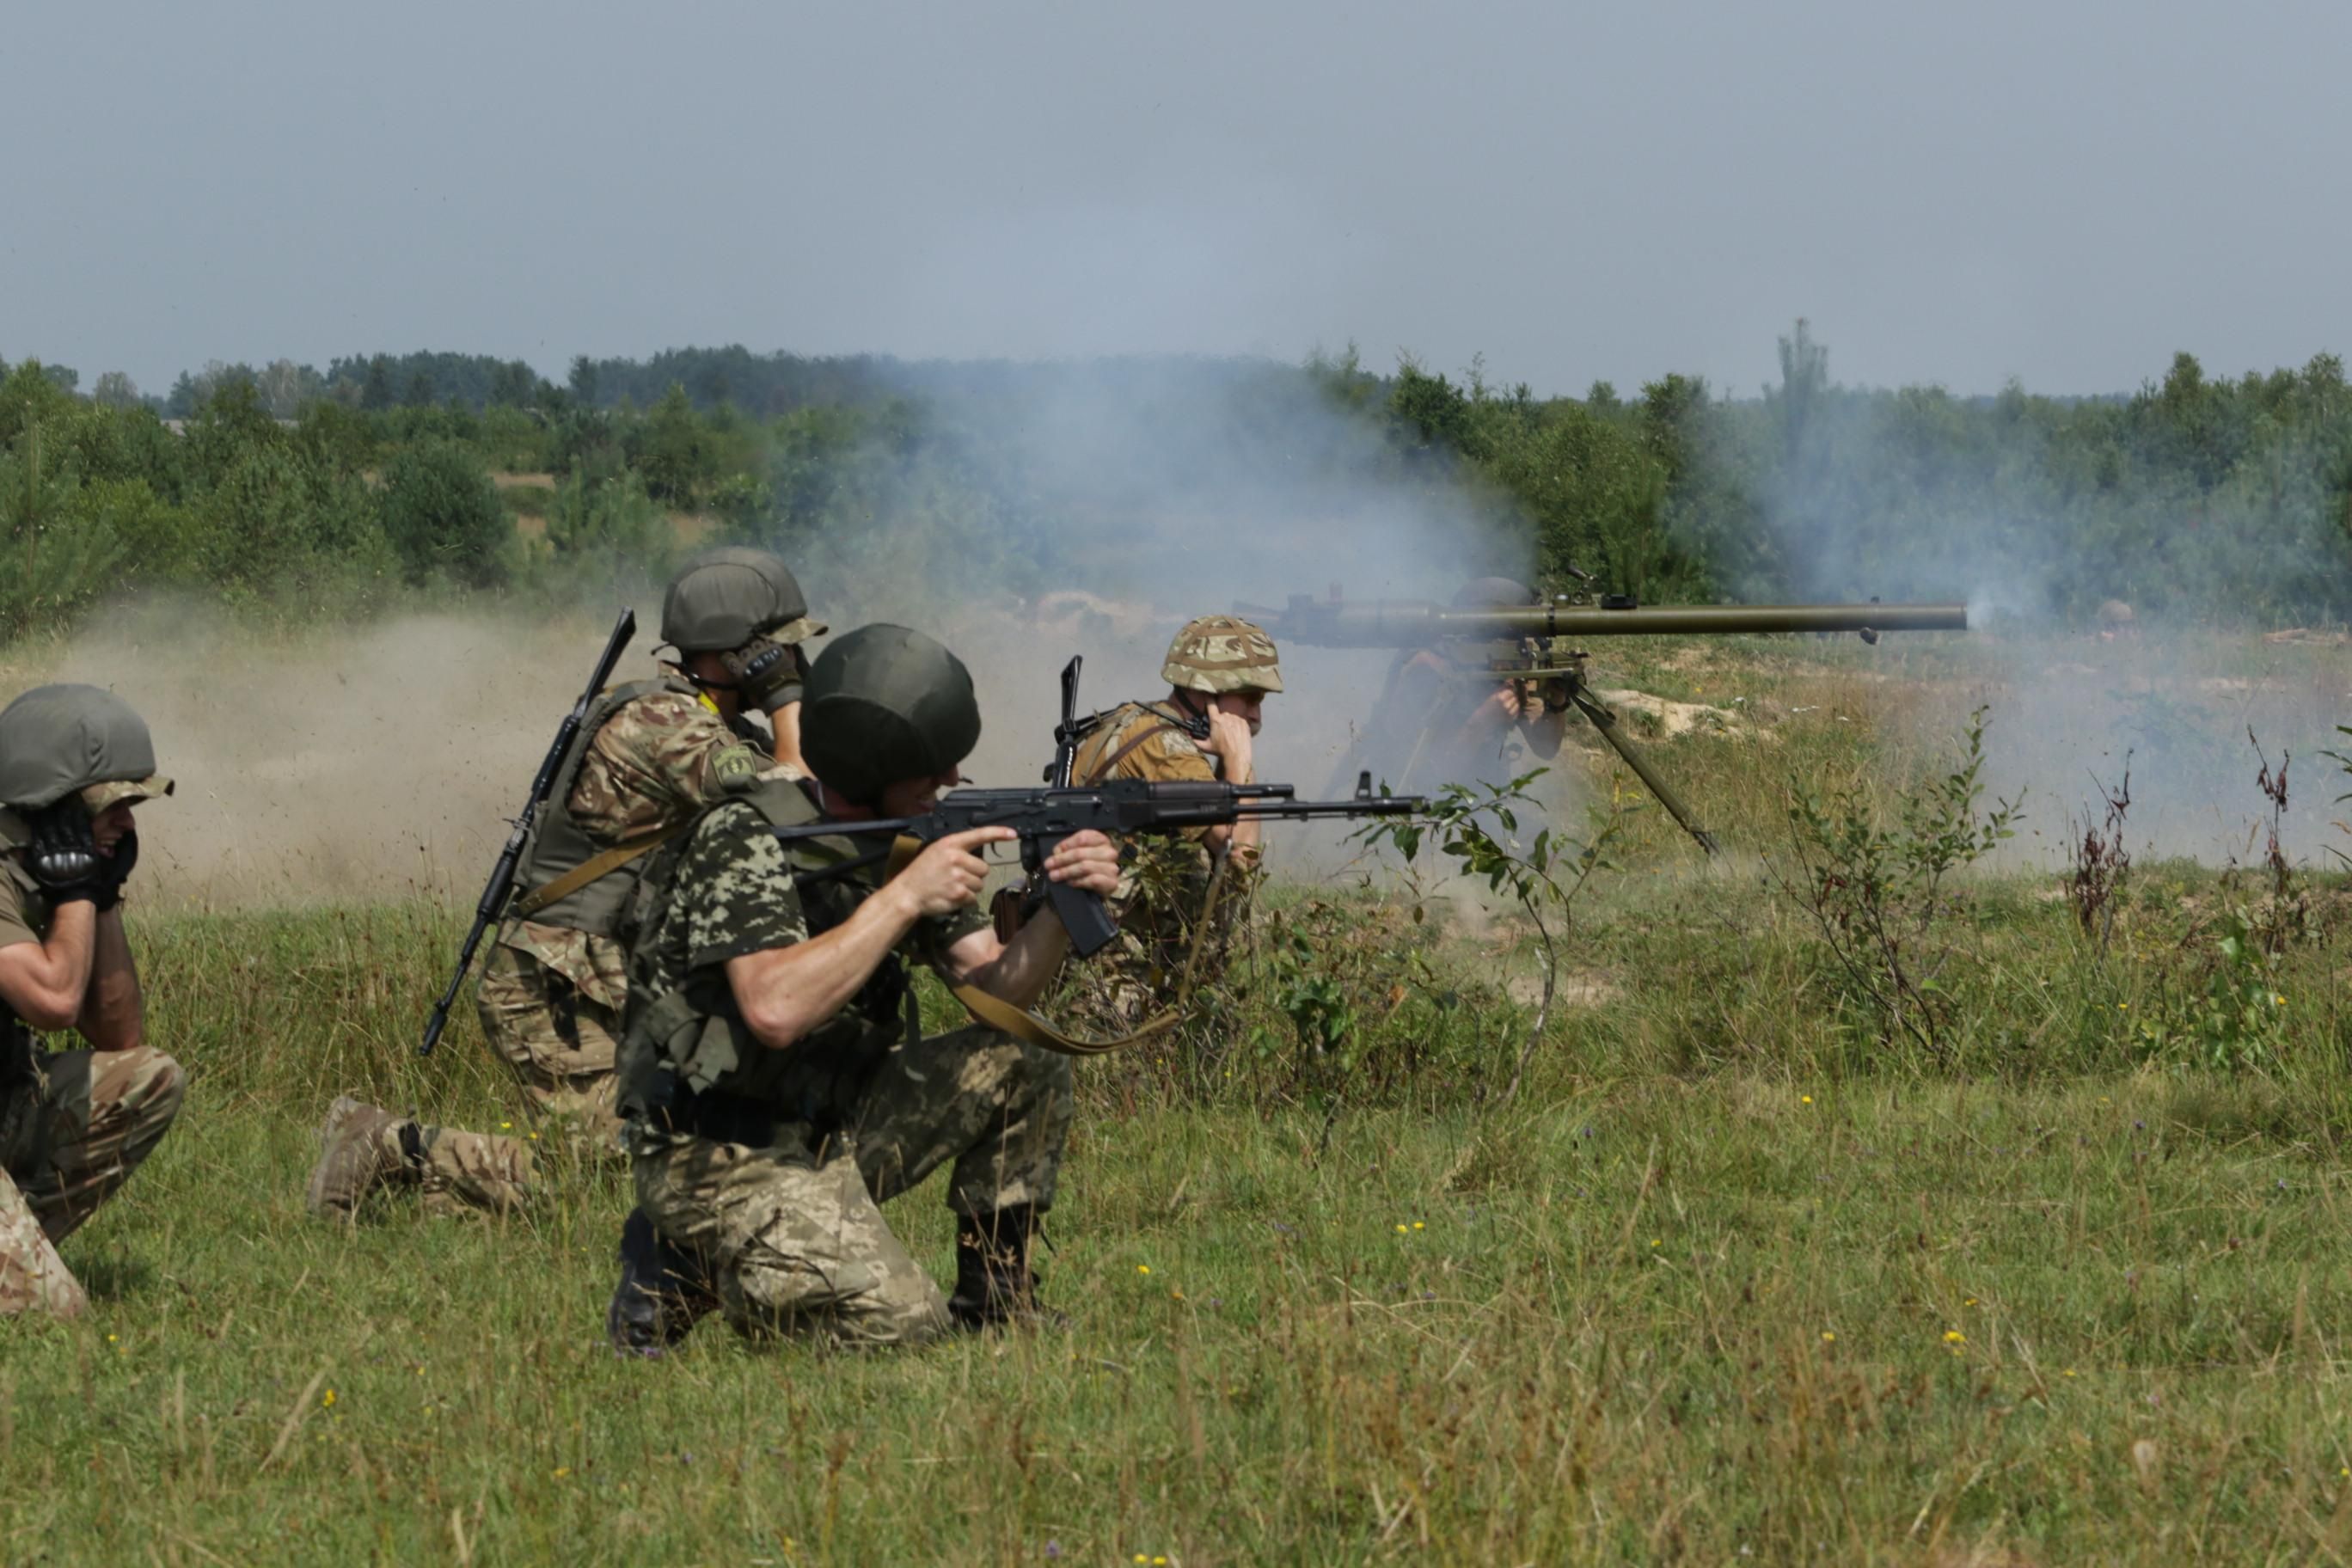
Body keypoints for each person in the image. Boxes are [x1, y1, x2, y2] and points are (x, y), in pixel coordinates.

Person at [606, 622, 1123, 1351]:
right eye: (932, 771)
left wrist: (1063, 908)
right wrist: (905, 897)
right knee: (904, 1327)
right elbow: (774, 1009)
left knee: (1024, 1060)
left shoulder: (904, 840)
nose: (949, 784)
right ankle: (689, 1260)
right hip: (716, 1153)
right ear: (871, 767)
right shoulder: (745, 837)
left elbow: (999, 992)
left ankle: (999, 1302)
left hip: (832, 1125)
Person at [306, 547, 826, 1221]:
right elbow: (798, 793)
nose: (794, 670)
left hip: (610, 979)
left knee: (656, 1163)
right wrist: (787, 699)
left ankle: (451, 1205)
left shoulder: (710, 724)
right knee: (613, 1175)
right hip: (552, 985)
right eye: (779, 657)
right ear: (737, 656)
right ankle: (388, 1144)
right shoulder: (664, 725)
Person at [0, 685, 185, 1317]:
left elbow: (119, 1035)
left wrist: (98, 896)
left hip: (7, 1102)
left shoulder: (43, 865)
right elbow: (52, 1002)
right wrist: (79, 888)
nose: (129, 823)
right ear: (54, 804)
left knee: (150, 1079)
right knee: (59, 1314)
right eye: (114, 806)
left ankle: (21, 1252)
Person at [1051, 615, 1283, 1029]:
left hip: (1096, 947)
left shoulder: (1135, 720)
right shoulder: (1167, 748)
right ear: (1202, 691)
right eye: (1247, 695)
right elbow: (1241, 855)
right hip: (1112, 973)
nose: (1256, 710)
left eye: (1262, 696)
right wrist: (1239, 759)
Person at [1345, 577, 1565, 797]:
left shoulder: (1514, 674)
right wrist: (1481, 722)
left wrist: (1556, 702)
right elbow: (1426, 779)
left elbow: (1546, 749)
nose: (1521, 653)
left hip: (1476, 799)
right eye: (1513, 643)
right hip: (1407, 804)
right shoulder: (1426, 672)